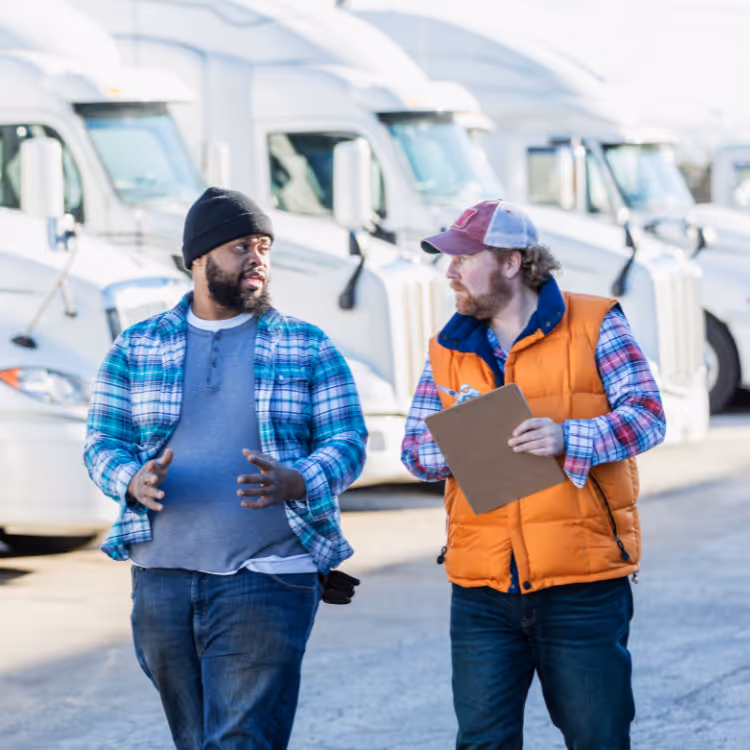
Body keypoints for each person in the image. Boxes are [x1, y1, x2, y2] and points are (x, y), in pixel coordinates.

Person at [84, 187, 367, 750]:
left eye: (264, 246)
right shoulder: (137, 346)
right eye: (241, 247)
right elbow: (101, 442)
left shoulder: (306, 345)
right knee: (196, 739)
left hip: (268, 575)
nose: (257, 259)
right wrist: (130, 480)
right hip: (161, 577)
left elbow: (347, 440)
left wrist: (299, 479)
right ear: (199, 259)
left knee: (238, 739)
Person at [402, 199, 666, 750]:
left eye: (464, 258)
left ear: (511, 262)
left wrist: (570, 437)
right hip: (482, 588)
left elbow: (647, 416)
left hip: (582, 583)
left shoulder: (596, 322)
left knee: (599, 738)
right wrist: (458, 443)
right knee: (482, 743)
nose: (448, 272)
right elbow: (414, 452)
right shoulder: (446, 347)